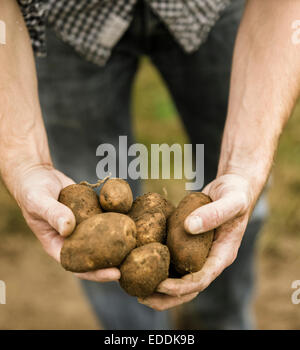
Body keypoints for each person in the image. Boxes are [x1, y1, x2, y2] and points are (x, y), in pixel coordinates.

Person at [0, 0, 299, 330]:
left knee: (235, 205)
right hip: (61, 16)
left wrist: (246, 165)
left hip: (213, 8)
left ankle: (220, 321)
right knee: (70, 209)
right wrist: (23, 159)